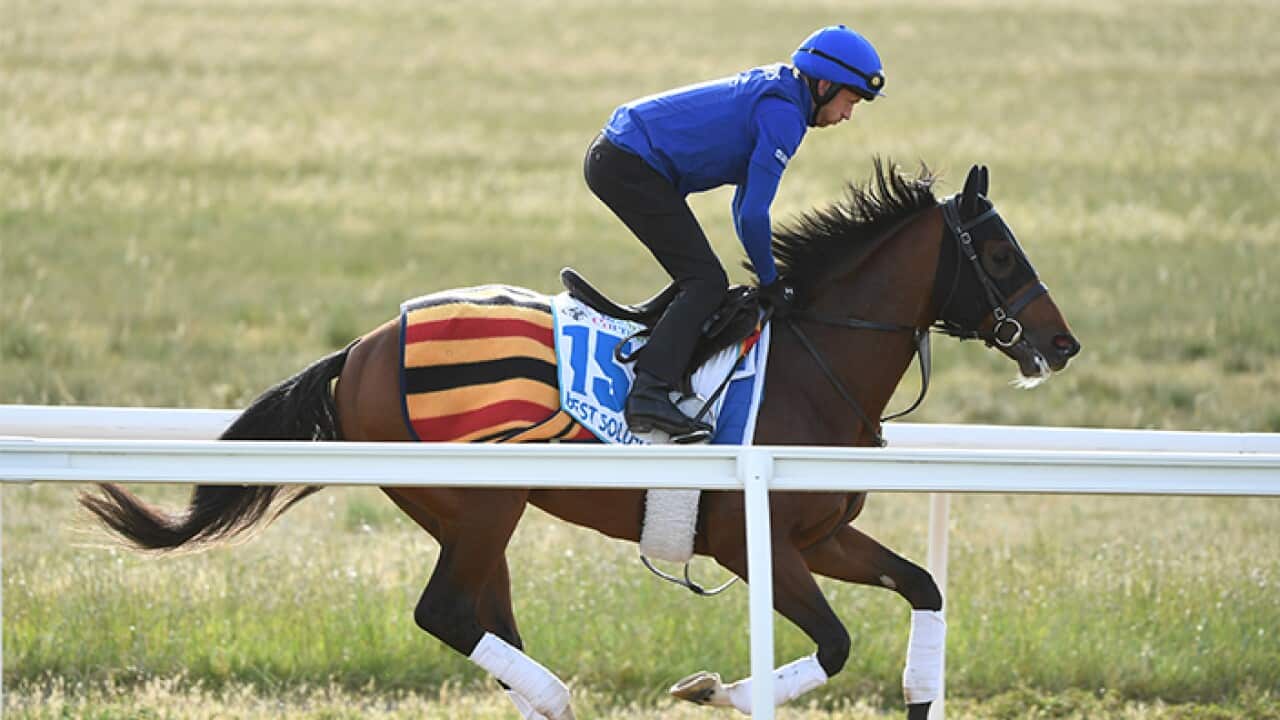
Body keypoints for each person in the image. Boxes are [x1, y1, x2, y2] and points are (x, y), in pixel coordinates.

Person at [584, 24, 886, 440]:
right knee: (705, 281)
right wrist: (769, 280)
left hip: (623, 155)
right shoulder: (784, 116)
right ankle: (648, 394)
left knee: (700, 276)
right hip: (628, 163)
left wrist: (768, 277)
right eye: (850, 101)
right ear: (823, 85)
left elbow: (743, 207)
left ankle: (660, 346)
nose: (848, 115)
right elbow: (754, 215)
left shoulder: (783, 97)